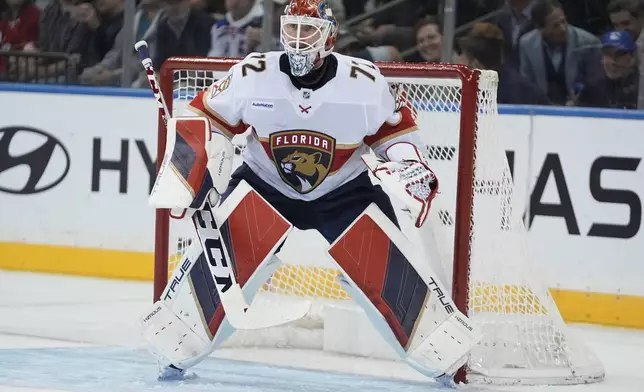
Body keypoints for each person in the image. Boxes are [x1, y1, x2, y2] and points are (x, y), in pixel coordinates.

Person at [142, 0, 462, 383]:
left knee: (384, 272)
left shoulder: (364, 81)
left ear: (329, 36)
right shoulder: (253, 73)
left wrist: (408, 165)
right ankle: (177, 349)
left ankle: (442, 355)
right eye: (290, 29)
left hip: (345, 189)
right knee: (225, 267)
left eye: (307, 31)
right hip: (264, 184)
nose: (296, 40)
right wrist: (196, 170)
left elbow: (394, 133)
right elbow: (205, 118)